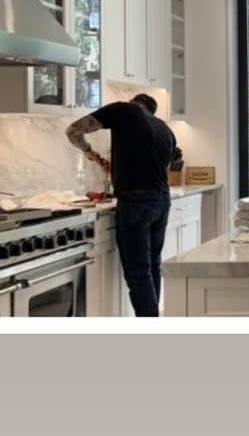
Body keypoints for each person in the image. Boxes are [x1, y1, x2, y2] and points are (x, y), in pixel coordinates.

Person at [66, 93, 178, 317]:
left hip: (135, 203)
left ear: (134, 102)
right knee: (151, 266)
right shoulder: (165, 129)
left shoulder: (122, 110)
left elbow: (73, 131)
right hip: (161, 201)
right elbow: (159, 164)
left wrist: (91, 154)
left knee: (138, 273)